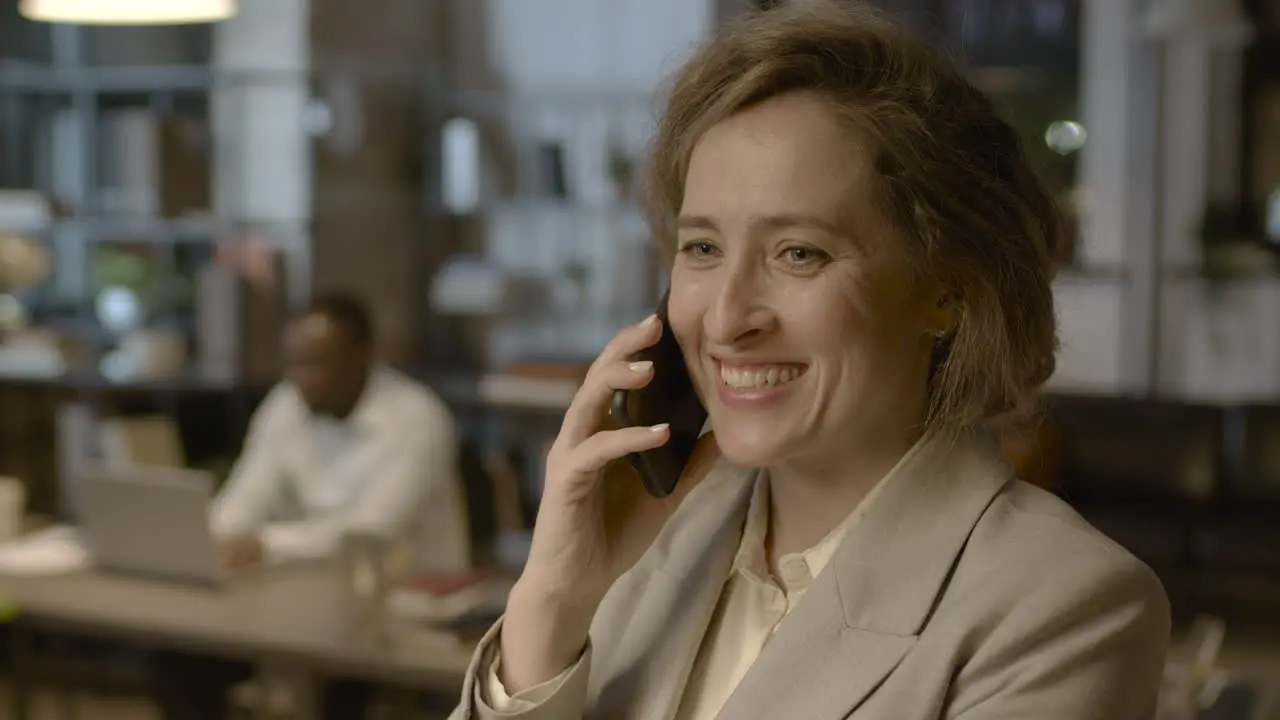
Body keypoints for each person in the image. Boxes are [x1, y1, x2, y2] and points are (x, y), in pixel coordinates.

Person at [450, 4, 1170, 719]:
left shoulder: (1066, 608)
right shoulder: (645, 543)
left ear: (946, 292)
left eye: (799, 253)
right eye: (702, 248)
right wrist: (549, 607)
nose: (727, 319)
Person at [152, 292, 469, 720]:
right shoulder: (286, 404)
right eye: (293, 363)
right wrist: (215, 537)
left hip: (400, 607)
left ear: (363, 356)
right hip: (300, 593)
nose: (302, 378)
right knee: (180, 659)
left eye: (317, 363)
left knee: (335, 687)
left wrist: (264, 545)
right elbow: (244, 499)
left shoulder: (417, 418)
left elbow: (370, 531)